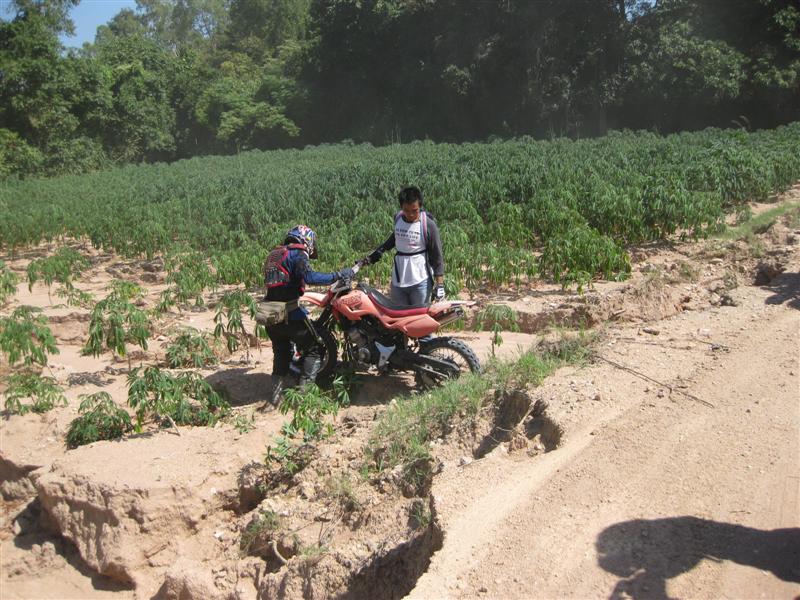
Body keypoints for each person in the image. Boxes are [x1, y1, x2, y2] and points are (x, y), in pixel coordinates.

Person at [262, 225, 354, 407]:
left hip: (268, 311)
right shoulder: (297, 254)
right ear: (307, 241)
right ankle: (303, 398)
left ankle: (275, 398)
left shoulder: (275, 254)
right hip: (289, 312)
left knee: (281, 351)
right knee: (314, 348)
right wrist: (337, 275)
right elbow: (309, 277)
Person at [365, 186, 445, 305]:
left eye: (414, 210)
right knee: (398, 315)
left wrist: (440, 285)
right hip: (398, 282)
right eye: (406, 210)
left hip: (420, 282)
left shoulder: (428, 225)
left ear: (420, 207)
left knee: (418, 315)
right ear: (401, 207)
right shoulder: (398, 219)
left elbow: (437, 255)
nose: (410, 214)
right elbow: (393, 240)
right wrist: (373, 257)